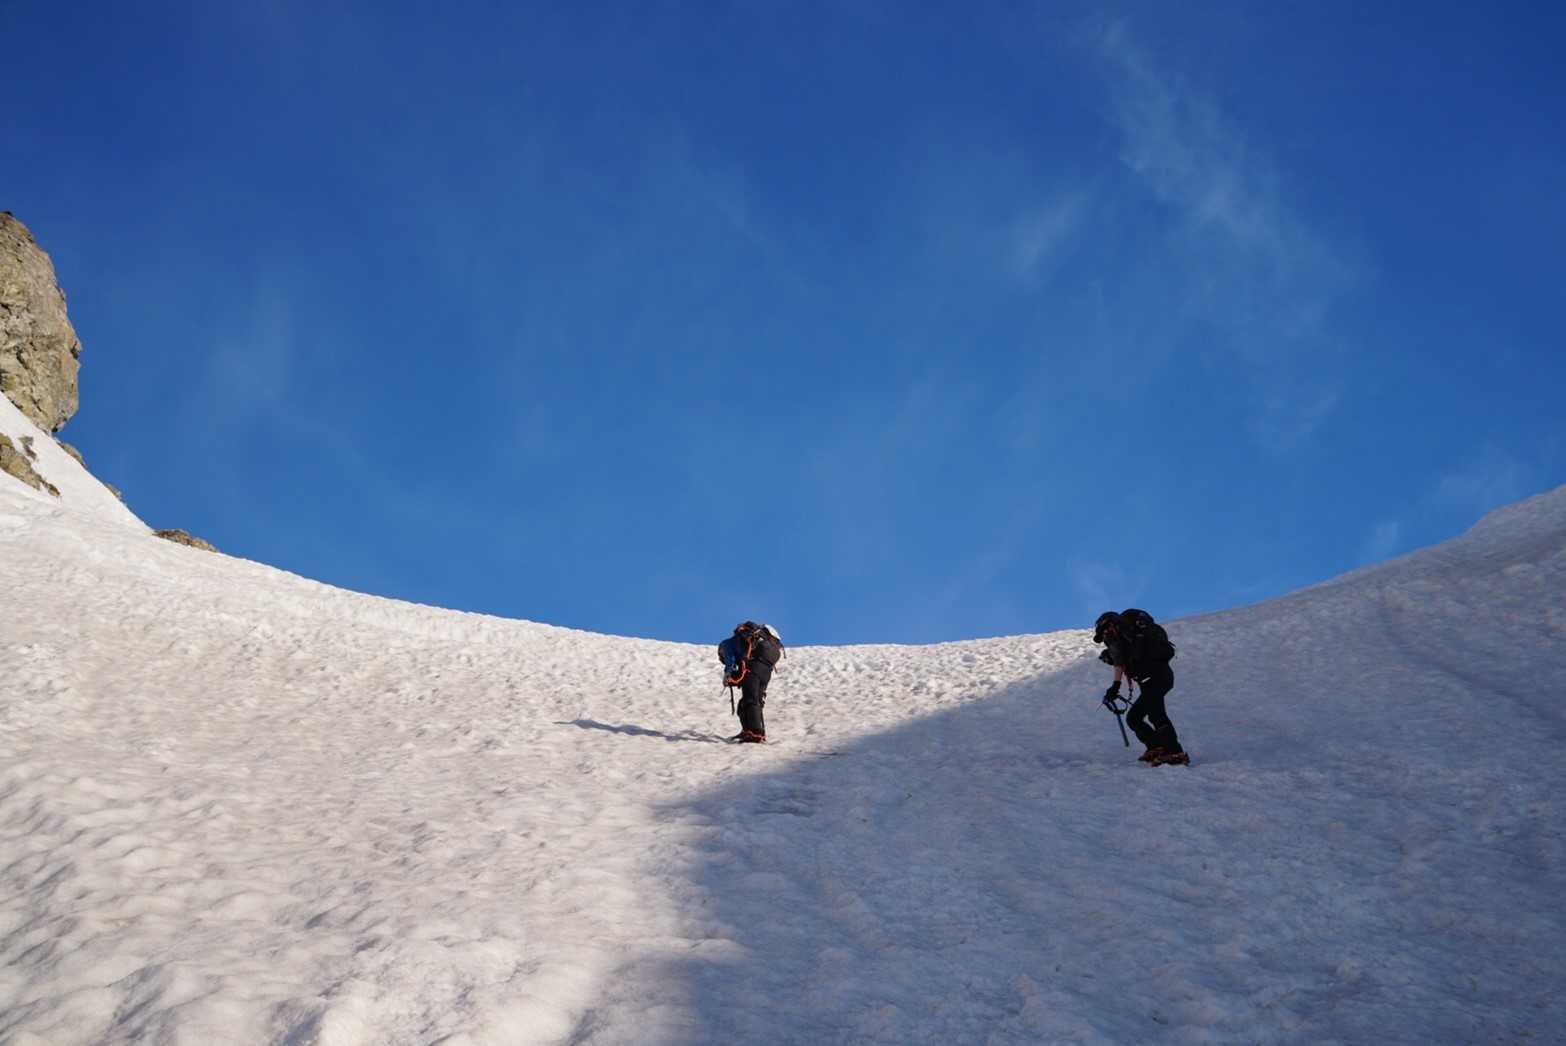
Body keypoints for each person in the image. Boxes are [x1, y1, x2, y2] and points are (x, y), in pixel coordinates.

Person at [1093, 610, 1188, 766]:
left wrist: (1115, 686)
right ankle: (1156, 747)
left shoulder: (1127, 635)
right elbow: (1119, 663)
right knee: (1134, 718)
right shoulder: (1124, 642)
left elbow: (1120, 661)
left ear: (1111, 625)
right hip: (1154, 679)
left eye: (1104, 632)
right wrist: (1115, 686)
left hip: (1155, 677)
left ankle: (1175, 751)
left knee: (1156, 714)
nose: (1105, 637)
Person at [718, 621, 783, 743]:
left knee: (750, 700)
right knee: (754, 701)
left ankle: (755, 733)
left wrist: (727, 674)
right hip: (766, 672)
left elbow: (730, 661)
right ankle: (751, 731)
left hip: (753, 670)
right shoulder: (752, 642)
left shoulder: (726, 644)